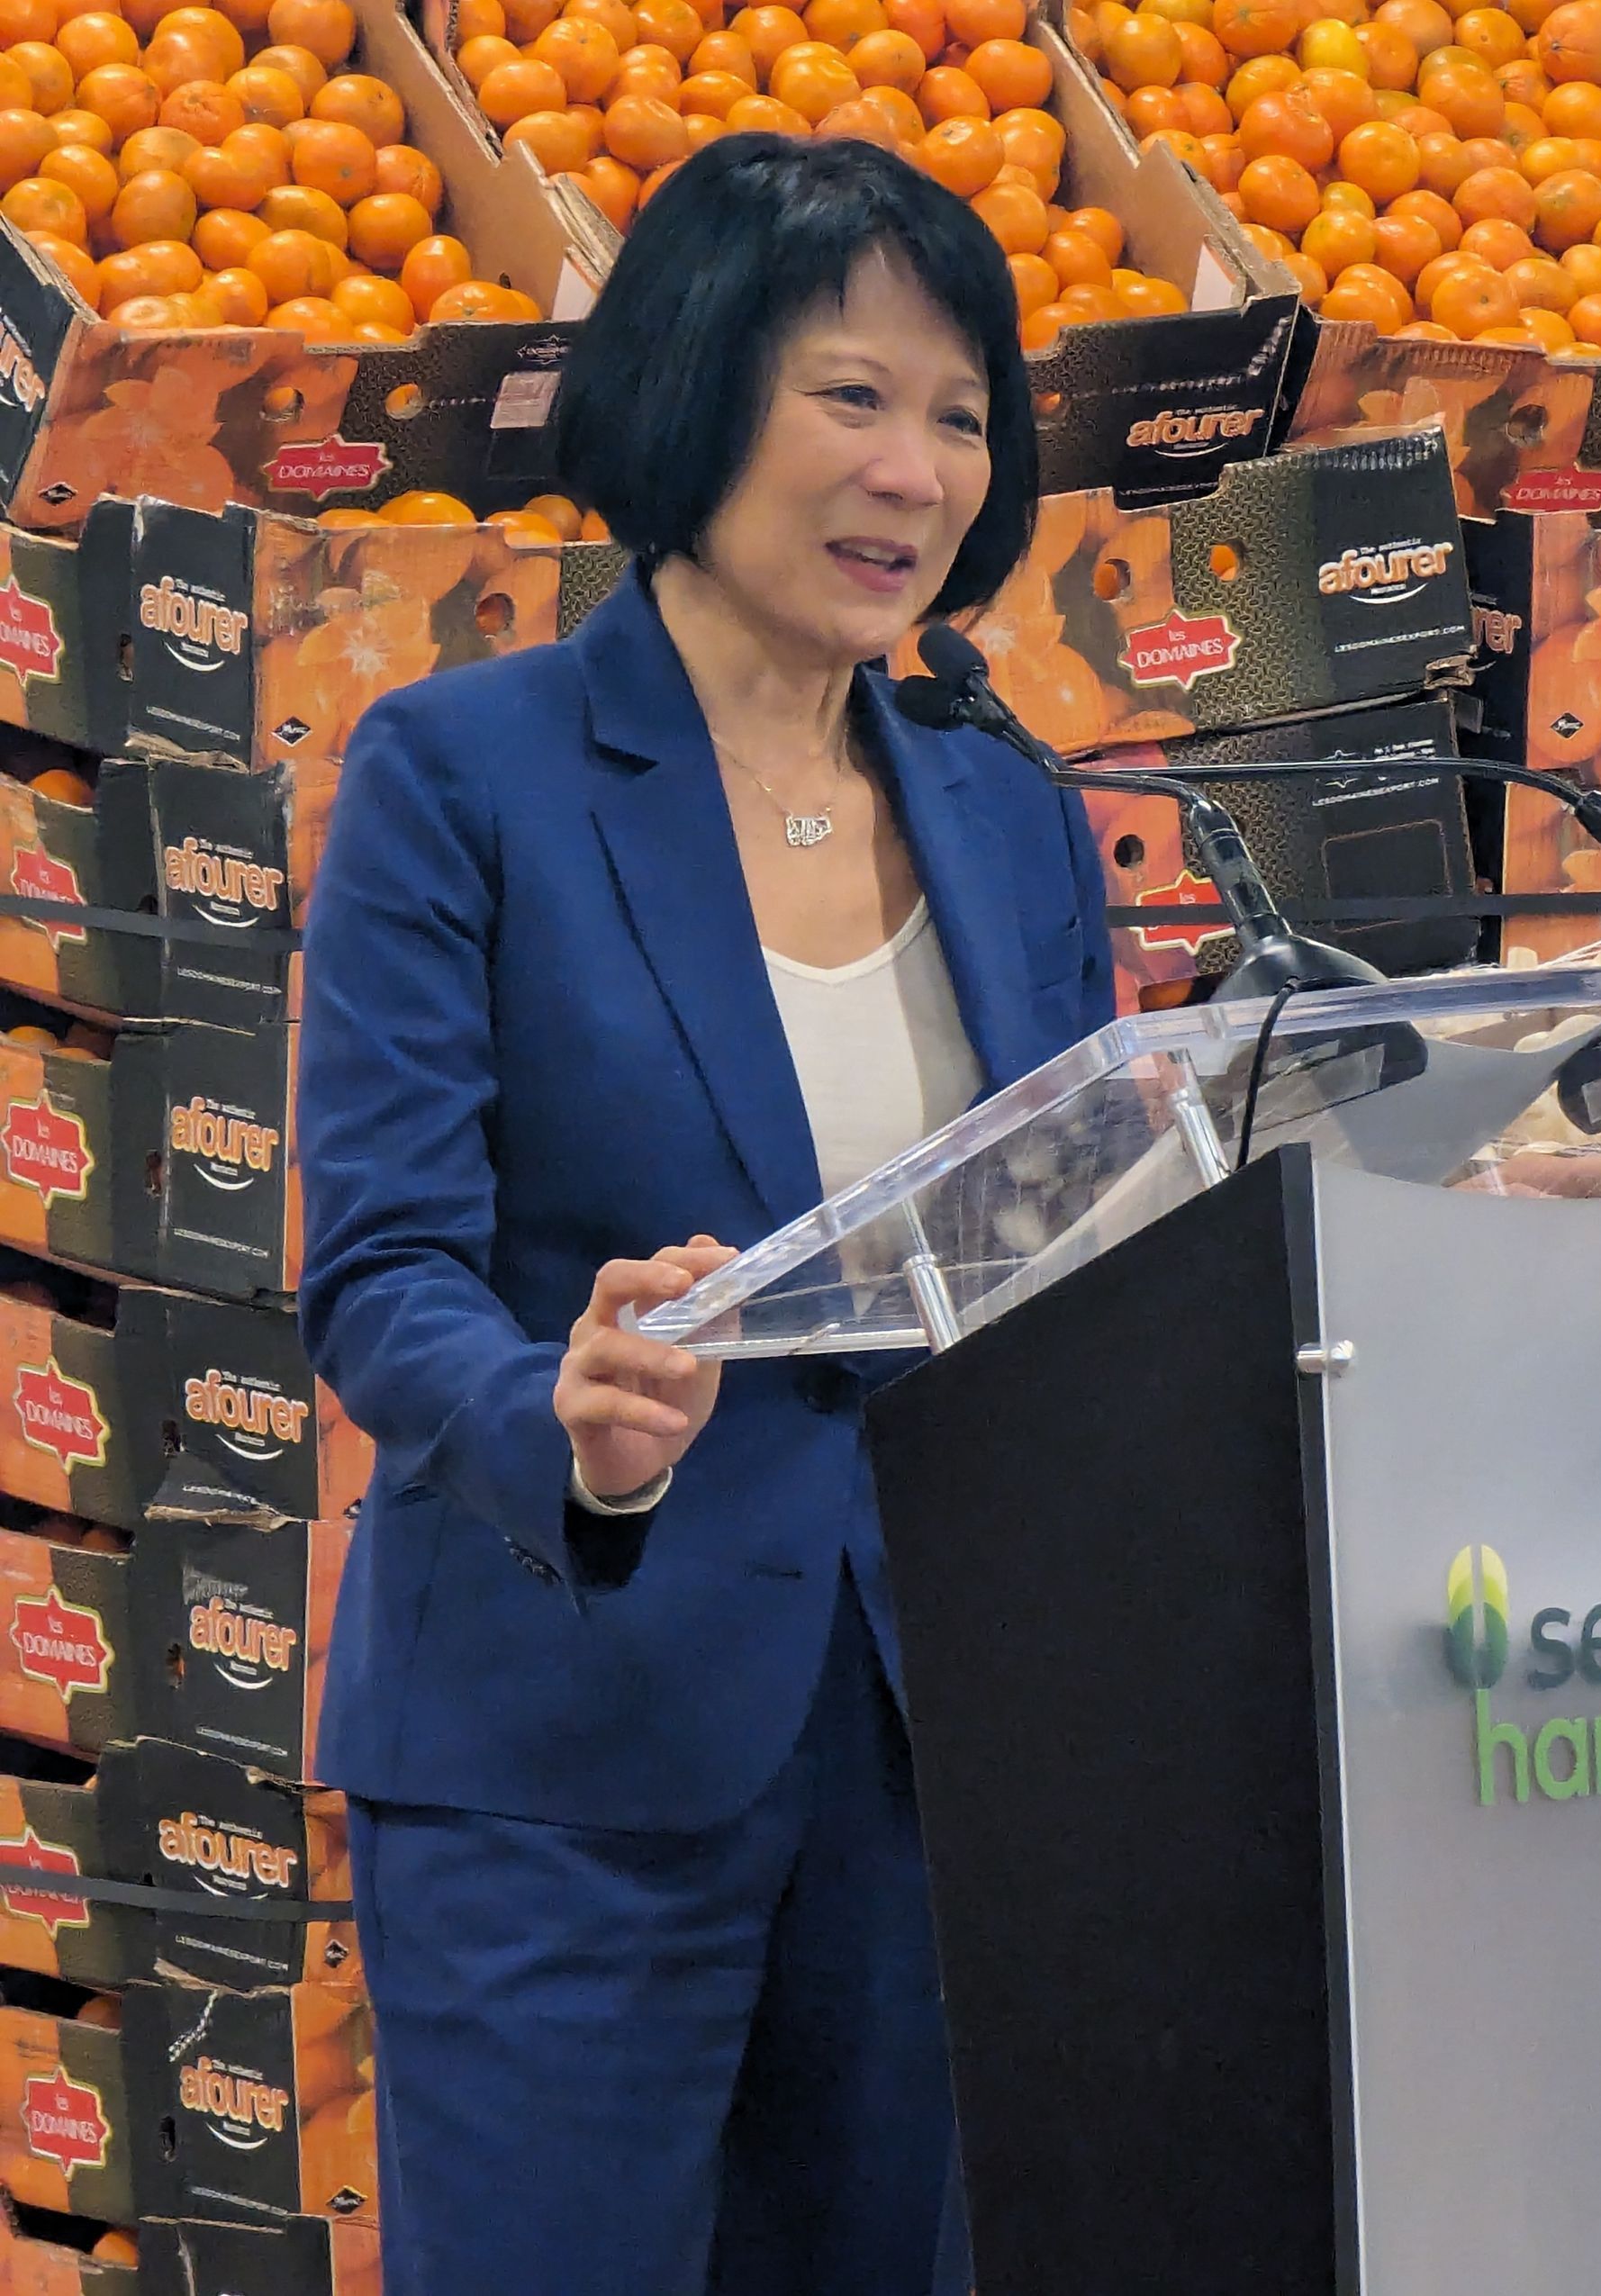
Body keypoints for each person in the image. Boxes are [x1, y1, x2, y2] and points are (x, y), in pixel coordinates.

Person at [295, 131, 1111, 2296]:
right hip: (564, 1752)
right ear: (689, 391)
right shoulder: (460, 768)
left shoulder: (1017, 809)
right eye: (852, 394)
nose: (915, 472)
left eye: (960, 417)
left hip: (937, 1757)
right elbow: (379, 1265)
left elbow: (1090, 1230)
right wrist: (560, 1418)